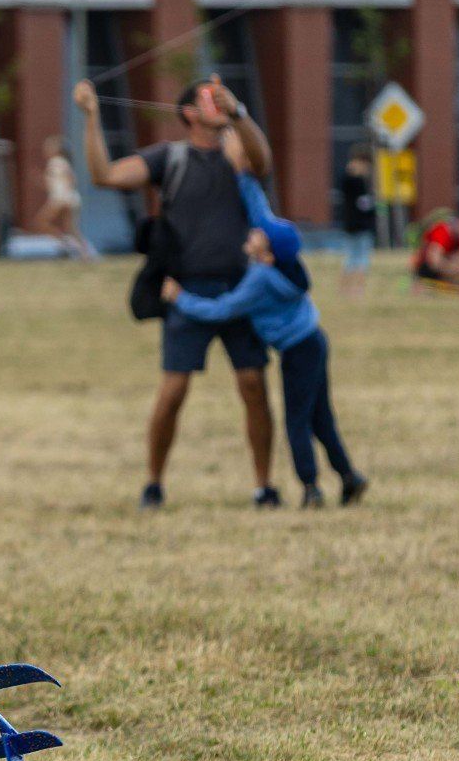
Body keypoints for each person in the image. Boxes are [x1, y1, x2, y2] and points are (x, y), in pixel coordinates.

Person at [76, 72, 281, 510]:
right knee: (172, 393)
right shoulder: (169, 158)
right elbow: (104, 176)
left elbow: (262, 160)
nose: (220, 101)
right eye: (210, 97)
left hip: (241, 288)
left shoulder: (236, 151)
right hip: (185, 291)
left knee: (253, 386)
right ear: (189, 112)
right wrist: (92, 118)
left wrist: (238, 113)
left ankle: (264, 485)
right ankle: (153, 483)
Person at [160, 176, 368, 509]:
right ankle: (349, 478)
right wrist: (242, 178)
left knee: (296, 422)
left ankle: (311, 488)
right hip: (314, 341)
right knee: (320, 417)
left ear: (268, 254)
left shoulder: (260, 278)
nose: (253, 232)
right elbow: (262, 215)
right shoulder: (285, 268)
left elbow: (222, 309)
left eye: (259, 237)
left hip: (298, 351)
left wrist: (180, 298)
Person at [31, 139, 96, 259]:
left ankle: (65, 244)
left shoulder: (56, 162)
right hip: (69, 198)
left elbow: (69, 179)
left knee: (41, 222)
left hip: (61, 199)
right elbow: (57, 183)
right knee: (71, 229)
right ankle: (84, 254)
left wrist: (65, 195)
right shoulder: (63, 162)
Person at [338, 144, 376, 299]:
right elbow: (364, 204)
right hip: (358, 226)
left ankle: (349, 291)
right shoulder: (356, 182)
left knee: (353, 259)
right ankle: (354, 290)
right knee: (359, 259)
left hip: (354, 226)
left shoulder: (352, 180)